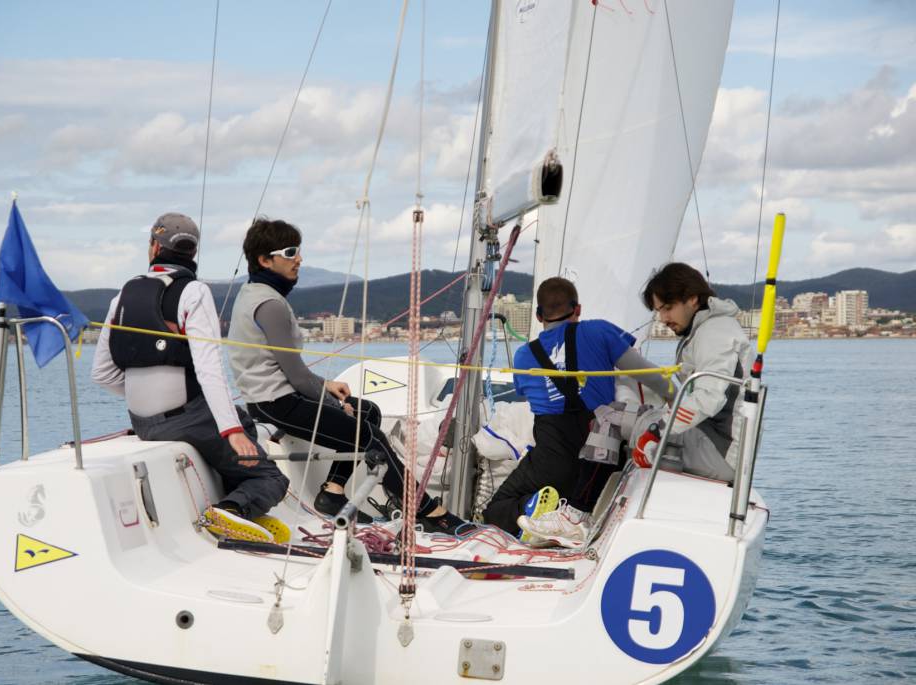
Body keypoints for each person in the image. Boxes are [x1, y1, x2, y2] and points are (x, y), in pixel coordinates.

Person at [227, 217, 466, 532]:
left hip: (278, 395)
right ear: (264, 260)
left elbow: (283, 366)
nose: (298, 258)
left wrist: (326, 386)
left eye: (298, 250)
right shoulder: (269, 304)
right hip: (275, 403)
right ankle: (426, 509)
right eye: (289, 252)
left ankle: (333, 492)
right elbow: (296, 375)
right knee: (368, 436)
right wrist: (334, 404)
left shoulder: (256, 293)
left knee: (370, 411)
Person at [92, 213, 289, 543]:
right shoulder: (194, 292)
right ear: (192, 254)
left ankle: (239, 496)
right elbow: (209, 369)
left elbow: (102, 374)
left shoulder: (122, 296)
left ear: (154, 247)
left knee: (243, 420)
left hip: (142, 422)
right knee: (271, 478)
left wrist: (147, 396)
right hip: (187, 419)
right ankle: (232, 510)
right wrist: (231, 432)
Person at [482, 277, 671, 547]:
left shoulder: (524, 356)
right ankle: (558, 517)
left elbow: (526, 392)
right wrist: (677, 399)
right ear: (578, 309)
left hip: (551, 458)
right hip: (598, 459)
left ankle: (531, 508)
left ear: (538, 316)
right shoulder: (600, 331)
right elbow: (649, 374)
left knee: (495, 510)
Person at [634, 262, 753, 482]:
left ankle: (578, 509)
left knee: (627, 422)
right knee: (638, 418)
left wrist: (657, 429)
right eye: (659, 311)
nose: (662, 318)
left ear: (693, 299)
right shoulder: (706, 329)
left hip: (720, 453)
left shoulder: (715, 333)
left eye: (667, 308)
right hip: (717, 444)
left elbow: (707, 398)